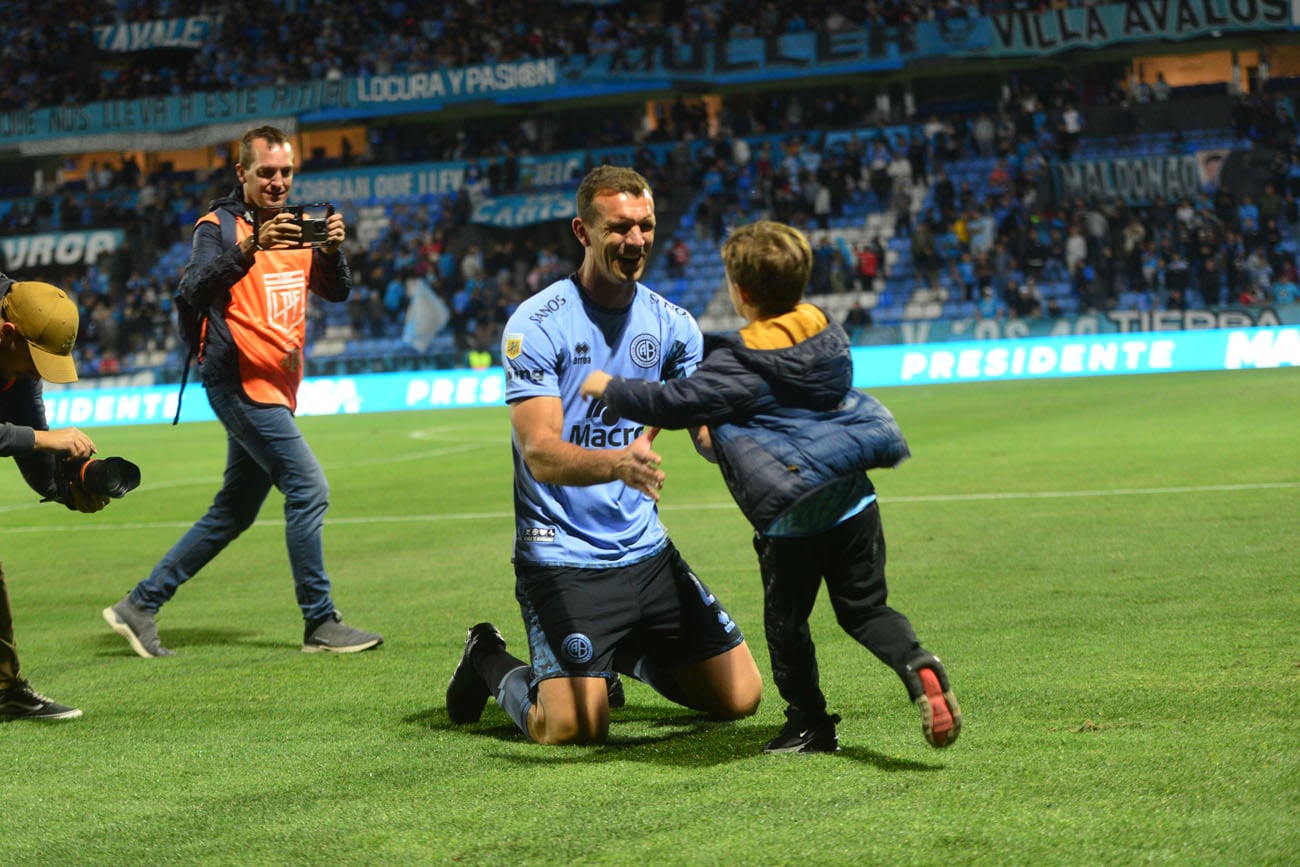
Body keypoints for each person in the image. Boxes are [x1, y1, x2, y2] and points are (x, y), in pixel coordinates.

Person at [580, 220, 961, 754]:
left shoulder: (739, 360)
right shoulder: (825, 328)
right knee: (866, 610)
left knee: (787, 626)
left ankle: (809, 724)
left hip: (793, 517)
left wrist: (603, 384)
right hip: (854, 500)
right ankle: (917, 663)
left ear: (741, 292)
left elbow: (668, 402)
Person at [444, 165, 762, 745]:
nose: (636, 241)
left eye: (646, 226)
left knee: (741, 698)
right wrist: (617, 464)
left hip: (645, 552)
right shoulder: (537, 324)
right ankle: (487, 659)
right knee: (569, 728)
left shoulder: (674, 327)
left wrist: (765, 441)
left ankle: (623, 652)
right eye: (619, 228)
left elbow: (706, 434)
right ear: (583, 231)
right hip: (560, 556)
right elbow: (540, 453)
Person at [103, 126, 381, 657]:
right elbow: (192, 286)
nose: (277, 182)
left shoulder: (301, 228)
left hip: (276, 384)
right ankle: (320, 622)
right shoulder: (219, 227)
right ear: (243, 174)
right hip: (237, 380)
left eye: (285, 172)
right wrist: (252, 246)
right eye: (266, 173)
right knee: (309, 488)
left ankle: (140, 604)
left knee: (235, 510)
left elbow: (338, 291)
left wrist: (332, 251)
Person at [0, 275, 110, 720]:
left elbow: (30, 438)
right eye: (34, 362)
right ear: (8, 333)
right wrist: (47, 441)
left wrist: (67, 488)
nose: (37, 372)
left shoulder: (20, 358)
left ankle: (6, 690)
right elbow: (38, 439)